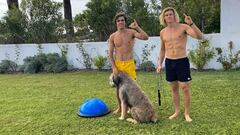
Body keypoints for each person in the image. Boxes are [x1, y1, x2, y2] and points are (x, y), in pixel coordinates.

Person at [156, 7, 203, 122]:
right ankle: (177, 111)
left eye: (170, 14)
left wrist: (191, 23)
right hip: (169, 62)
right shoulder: (163, 32)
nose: (168, 16)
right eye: (166, 15)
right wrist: (159, 64)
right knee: (174, 88)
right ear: (164, 18)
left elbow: (199, 36)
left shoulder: (184, 27)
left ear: (174, 15)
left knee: (185, 87)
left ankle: (187, 113)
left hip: (182, 61)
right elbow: (162, 49)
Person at [108, 12, 149, 113]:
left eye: (122, 20)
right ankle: (121, 107)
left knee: (132, 88)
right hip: (118, 65)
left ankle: (131, 107)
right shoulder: (113, 36)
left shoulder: (131, 32)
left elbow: (145, 37)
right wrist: (114, 67)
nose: (120, 22)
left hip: (129, 64)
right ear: (116, 23)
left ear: (125, 22)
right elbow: (110, 53)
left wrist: (137, 27)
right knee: (118, 88)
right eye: (118, 21)